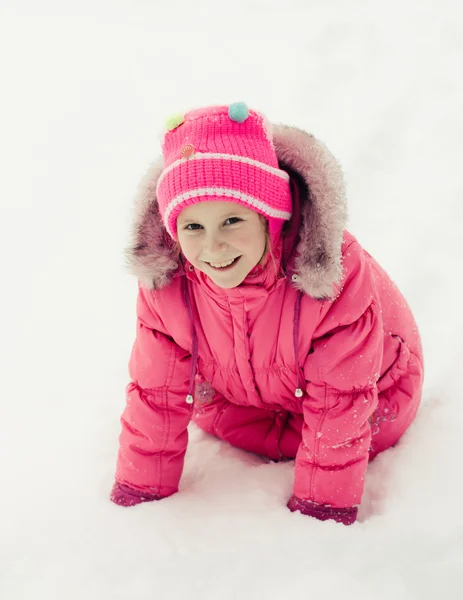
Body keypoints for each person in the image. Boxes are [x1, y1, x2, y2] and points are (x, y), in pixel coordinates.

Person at [110, 103, 424, 525]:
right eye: (193, 227)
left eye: (232, 220)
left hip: (371, 399)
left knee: (357, 416)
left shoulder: (328, 274)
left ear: (270, 218)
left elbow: (341, 400)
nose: (213, 247)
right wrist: (139, 494)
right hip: (245, 403)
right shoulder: (169, 282)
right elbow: (157, 393)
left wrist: (321, 512)